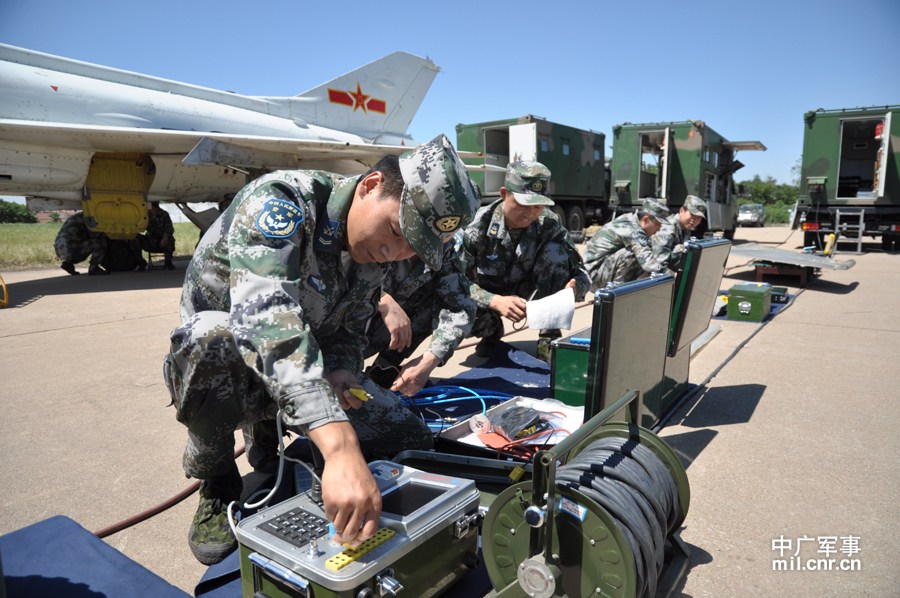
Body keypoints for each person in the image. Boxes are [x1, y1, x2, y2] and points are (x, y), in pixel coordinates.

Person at [162, 134, 479, 565]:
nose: (395, 252)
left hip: (303, 366)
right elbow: (266, 321)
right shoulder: (281, 202)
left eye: (413, 248)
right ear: (370, 186)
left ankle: (279, 432)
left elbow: (349, 329)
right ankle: (217, 480)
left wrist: (344, 371)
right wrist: (339, 445)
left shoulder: (371, 256)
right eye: (396, 232)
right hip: (232, 369)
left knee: (409, 438)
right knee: (211, 338)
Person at [461, 161, 590, 362]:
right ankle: (491, 330)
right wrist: (494, 301)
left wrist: (574, 289)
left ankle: (548, 339)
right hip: (488, 299)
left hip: (529, 292)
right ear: (504, 194)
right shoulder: (477, 228)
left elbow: (581, 273)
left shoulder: (549, 224)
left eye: (537, 206)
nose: (530, 213)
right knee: (454, 308)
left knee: (555, 253)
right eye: (522, 204)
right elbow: (456, 281)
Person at [364, 231, 476, 396]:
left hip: (384, 332)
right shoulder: (379, 231)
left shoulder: (443, 248)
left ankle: (384, 371)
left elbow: (460, 304)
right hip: (341, 329)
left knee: (434, 300)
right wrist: (382, 300)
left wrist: (430, 360)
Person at [583, 197, 672, 288]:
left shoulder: (631, 220)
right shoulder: (633, 230)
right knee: (631, 254)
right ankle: (618, 292)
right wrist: (672, 275)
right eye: (658, 224)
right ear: (646, 220)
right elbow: (648, 264)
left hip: (598, 271)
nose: (659, 229)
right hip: (593, 275)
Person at [651, 194, 707, 271]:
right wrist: (675, 276)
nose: (694, 220)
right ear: (682, 211)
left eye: (698, 218)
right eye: (692, 215)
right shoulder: (668, 229)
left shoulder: (686, 229)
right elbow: (657, 265)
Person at [53, 211, 109, 275]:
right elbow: (95, 235)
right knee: (100, 242)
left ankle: (68, 264)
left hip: (60, 249)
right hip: (71, 249)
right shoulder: (89, 218)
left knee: (81, 244)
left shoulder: (75, 217)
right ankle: (94, 268)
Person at [135, 202, 176, 270]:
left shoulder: (164, 215)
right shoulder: (146, 215)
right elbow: (141, 226)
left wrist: (165, 237)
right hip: (150, 241)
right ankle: (141, 262)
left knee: (170, 239)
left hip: (162, 241)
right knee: (134, 238)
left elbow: (170, 229)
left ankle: (168, 262)